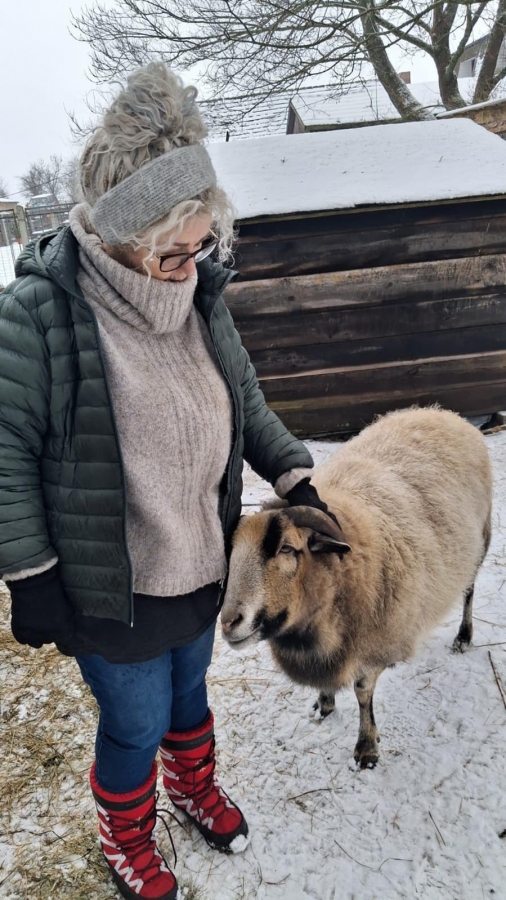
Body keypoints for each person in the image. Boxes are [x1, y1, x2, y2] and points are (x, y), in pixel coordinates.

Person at [0, 63, 335, 900]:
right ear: (120, 233)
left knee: (189, 697)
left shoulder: (200, 301)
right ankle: (126, 831)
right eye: (170, 251)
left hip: (201, 563)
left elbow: (245, 402)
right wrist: (30, 575)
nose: (189, 267)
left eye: (201, 245)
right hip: (108, 585)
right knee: (137, 720)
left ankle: (191, 787)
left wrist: (294, 476)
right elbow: (5, 450)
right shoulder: (41, 314)